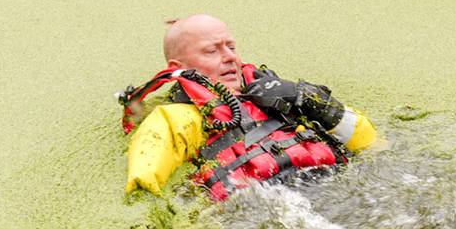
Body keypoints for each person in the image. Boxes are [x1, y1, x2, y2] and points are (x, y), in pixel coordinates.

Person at [119, 14, 378, 201]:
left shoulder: (281, 97)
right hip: (260, 214)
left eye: (231, 47)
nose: (230, 56)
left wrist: (311, 99)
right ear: (178, 68)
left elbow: (369, 143)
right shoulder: (174, 119)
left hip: (343, 190)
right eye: (212, 51)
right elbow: (143, 185)